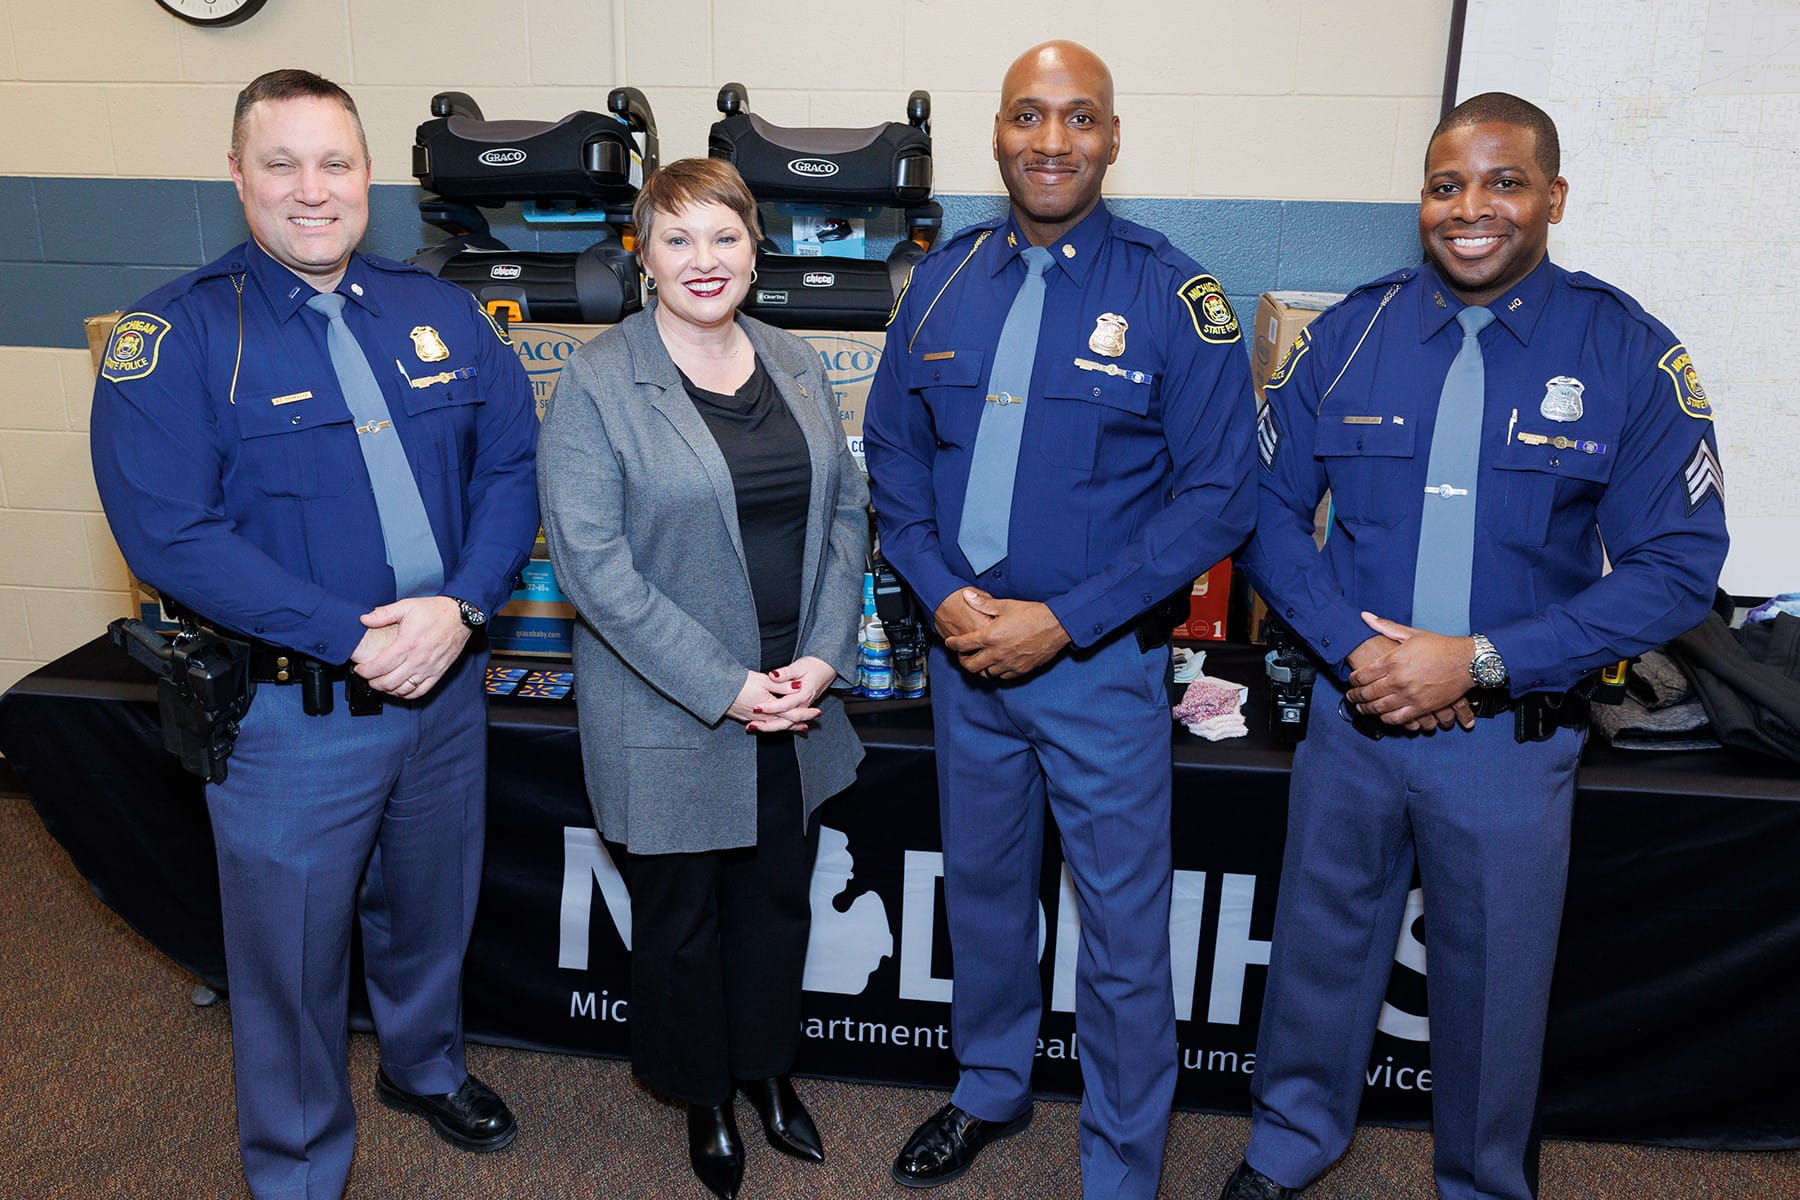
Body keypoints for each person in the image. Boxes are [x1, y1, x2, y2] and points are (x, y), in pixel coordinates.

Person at [1219, 93, 1729, 1200]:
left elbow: (1676, 566)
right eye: (1447, 184)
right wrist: (1363, 652)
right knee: (1318, 957)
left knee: (1495, 989)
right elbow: (1261, 510)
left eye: (1503, 182)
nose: (1471, 208)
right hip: (1355, 723)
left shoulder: (1628, 352)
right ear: (1422, 200)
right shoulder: (1347, 337)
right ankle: (1289, 1146)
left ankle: (1486, 1182)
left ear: (1553, 196)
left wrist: (1481, 660)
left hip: (1507, 739)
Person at [87, 70, 540, 1200]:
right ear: (235, 176)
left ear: (367, 176)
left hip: (442, 686)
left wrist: (465, 605)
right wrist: (354, 635)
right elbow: (171, 537)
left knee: (432, 911)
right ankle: (295, 1167)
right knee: (289, 959)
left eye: (334, 161)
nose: (310, 189)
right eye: (280, 163)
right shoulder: (177, 337)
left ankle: (426, 1067)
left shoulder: (435, 309)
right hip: (294, 715)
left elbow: (512, 465)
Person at [864, 41, 1257, 1199]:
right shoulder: (939, 280)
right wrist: (943, 594)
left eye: (1079, 119)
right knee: (984, 893)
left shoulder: (1174, 293)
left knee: (1125, 935)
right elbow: (893, 452)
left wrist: (1063, 621)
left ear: (1113, 138)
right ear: (996, 133)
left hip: (1097, 672)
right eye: (1029, 117)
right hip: (963, 655)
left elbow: (1221, 496)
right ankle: (989, 1085)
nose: (1052, 141)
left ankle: (1124, 1163)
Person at [536, 157, 869, 1200]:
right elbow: (593, 570)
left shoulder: (798, 363)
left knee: (776, 904)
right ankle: (706, 1101)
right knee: (681, 923)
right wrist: (725, 685)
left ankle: (768, 1074)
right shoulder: (597, 382)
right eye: (676, 238)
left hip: (795, 699)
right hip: (674, 705)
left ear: (756, 248)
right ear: (643, 255)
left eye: (723, 235)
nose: (703, 260)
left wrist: (820, 654)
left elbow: (847, 516)